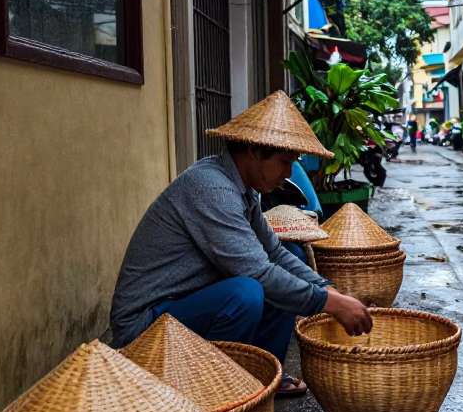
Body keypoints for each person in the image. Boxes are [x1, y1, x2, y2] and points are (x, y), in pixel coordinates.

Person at [109, 91, 372, 396]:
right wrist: (329, 304)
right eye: (284, 162)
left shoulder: (245, 190)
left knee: (291, 256)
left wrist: (327, 288)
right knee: (246, 292)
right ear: (254, 151)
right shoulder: (212, 188)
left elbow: (273, 251)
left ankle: (259, 378)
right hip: (143, 325)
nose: (289, 174)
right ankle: (214, 392)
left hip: (185, 303)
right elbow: (257, 273)